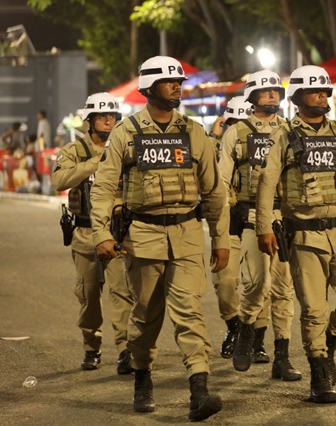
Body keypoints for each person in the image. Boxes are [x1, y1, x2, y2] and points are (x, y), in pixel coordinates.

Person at [90, 56, 230, 422]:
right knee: (146, 315)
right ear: (150, 88)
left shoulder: (194, 131)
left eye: (178, 82)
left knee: (189, 310)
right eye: (169, 82)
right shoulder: (126, 132)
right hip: (144, 234)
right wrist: (102, 233)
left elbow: (214, 190)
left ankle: (199, 388)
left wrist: (221, 239)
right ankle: (142, 374)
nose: (177, 87)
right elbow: (104, 187)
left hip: (186, 233)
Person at [256, 65, 336, 403]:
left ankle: (329, 345)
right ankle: (319, 372)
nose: (323, 95)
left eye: (325, 90)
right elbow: (268, 184)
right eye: (316, 91)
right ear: (298, 98)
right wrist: (264, 227)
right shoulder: (284, 136)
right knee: (313, 308)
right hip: (305, 235)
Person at [217, 70, 301, 381]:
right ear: (252, 97)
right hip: (250, 216)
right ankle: (246, 329)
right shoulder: (236, 132)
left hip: (284, 217)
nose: (272, 96)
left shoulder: (290, 130)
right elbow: (222, 179)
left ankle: (282, 356)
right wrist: (222, 222)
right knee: (256, 284)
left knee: (283, 289)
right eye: (265, 92)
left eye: (275, 91)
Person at [51, 92, 134, 374]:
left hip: (118, 231)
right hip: (85, 232)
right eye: (102, 116)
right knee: (88, 296)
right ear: (90, 120)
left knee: (123, 294)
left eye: (112, 116)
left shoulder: (124, 146)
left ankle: (125, 351)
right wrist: (96, 164)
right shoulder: (75, 150)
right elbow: (59, 180)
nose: (108, 121)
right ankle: (91, 347)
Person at [208, 95, 259, 359]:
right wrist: (214, 136)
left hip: (255, 219)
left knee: (259, 282)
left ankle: (255, 339)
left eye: (242, 121)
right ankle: (234, 326)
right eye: (232, 122)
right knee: (225, 282)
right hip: (227, 223)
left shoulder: (267, 142)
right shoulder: (215, 146)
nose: (237, 128)